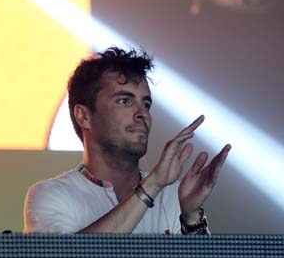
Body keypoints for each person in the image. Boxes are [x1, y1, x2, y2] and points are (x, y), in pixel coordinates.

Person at [24, 47, 230, 234]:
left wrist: (191, 216)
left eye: (146, 104)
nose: (143, 114)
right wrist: (152, 186)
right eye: (125, 101)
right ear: (84, 116)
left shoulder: (170, 195)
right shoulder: (52, 195)